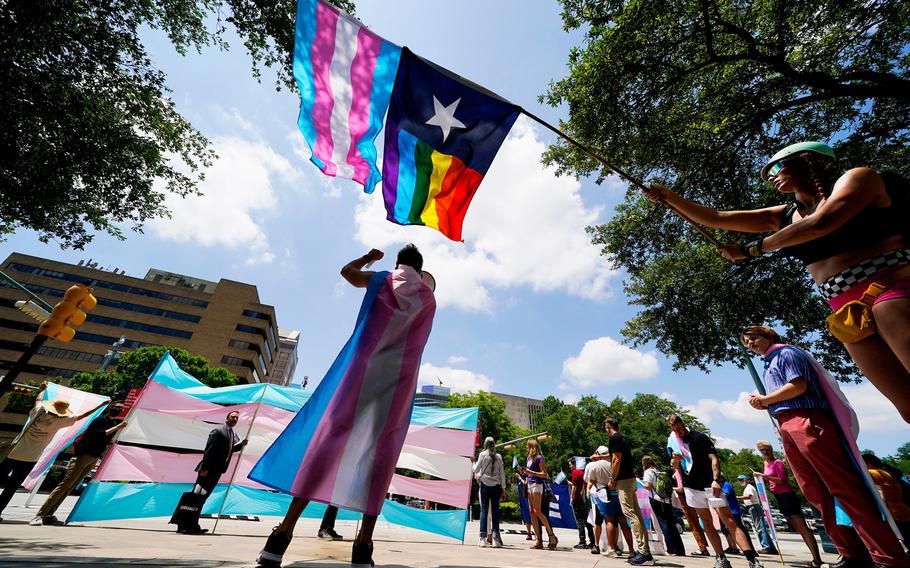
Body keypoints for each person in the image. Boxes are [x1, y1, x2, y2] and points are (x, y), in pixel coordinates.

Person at [644, 143, 910, 423]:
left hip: (889, 289)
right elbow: (716, 218)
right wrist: (670, 197)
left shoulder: (859, 178)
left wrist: (752, 249)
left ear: (807, 161)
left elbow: (821, 223)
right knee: (906, 407)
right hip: (844, 311)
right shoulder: (784, 215)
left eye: (775, 167)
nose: (770, 176)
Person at [251, 246, 436, 568]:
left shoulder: (382, 280)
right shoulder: (429, 299)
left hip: (361, 371)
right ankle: (363, 545)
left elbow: (347, 273)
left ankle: (281, 537)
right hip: (398, 381)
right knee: (382, 451)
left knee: (328, 441)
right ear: (420, 271)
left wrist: (368, 258)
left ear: (398, 264)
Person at [743, 325, 909, 568]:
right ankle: (851, 552)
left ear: (769, 335)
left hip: (806, 419)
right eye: (746, 341)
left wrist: (765, 400)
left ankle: (888, 556)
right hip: (786, 424)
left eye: (753, 337)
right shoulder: (768, 363)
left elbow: (798, 386)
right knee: (814, 492)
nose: (749, 343)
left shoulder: (786, 353)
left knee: (843, 487)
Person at [667, 413, 763, 568]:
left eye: (680, 428)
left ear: (683, 423)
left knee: (729, 520)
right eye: (675, 430)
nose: (679, 432)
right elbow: (675, 466)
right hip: (691, 486)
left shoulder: (699, 438)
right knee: (706, 522)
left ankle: (752, 559)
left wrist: (716, 480)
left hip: (709, 484)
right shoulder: (674, 443)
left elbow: (714, 459)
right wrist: (674, 461)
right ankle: (721, 557)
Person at [0, 387, 107, 520]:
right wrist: (100, 405)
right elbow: (81, 417)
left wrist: (44, 389)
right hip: (30, 458)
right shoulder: (59, 422)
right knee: (11, 487)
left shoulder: (37, 412)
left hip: (13, 453)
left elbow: (38, 399)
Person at [30, 402, 127, 526]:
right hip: (83, 455)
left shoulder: (113, 423)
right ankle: (40, 514)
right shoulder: (100, 420)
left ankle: (49, 514)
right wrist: (118, 427)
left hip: (94, 457)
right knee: (65, 484)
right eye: (116, 407)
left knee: (71, 486)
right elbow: (99, 434)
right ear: (110, 408)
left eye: (121, 408)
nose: (119, 410)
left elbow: (106, 439)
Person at [173, 410, 247, 534]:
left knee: (202, 498)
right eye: (232, 417)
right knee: (195, 498)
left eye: (236, 418)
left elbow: (227, 450)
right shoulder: (218, 431)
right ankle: (184, 525)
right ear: (227, 418)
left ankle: (193, 524)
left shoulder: (231, 434)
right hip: (207, 471)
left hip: (217, 471)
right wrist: (205, 469)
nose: (234, 420)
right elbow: (209, 450)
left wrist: (240, 446)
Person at [601, 417, 653, 565]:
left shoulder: (614, 439)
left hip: (622, 480)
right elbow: (614, 456)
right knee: (636, 514)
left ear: (607, 427)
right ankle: (645, 551)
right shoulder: (622, 439)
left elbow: (616, 460)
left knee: (630, 514)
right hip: (630, 479)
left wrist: (612, 478)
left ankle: (644, 553)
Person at [586, 445, 634, 557]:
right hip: (618, 493)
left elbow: (592, 481)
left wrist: (589, 490)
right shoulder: (614, 464)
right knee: (623, 523)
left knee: (610, 521)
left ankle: (611, 547)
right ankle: (631, 549)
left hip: (604, 495)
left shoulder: (594, 466)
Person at [517, 438, 557, 550]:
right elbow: (529, 472)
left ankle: (552, 536)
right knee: (532, 512)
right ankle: (538, 539)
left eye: (527, 446)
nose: (526, 447)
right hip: (529, 484)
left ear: (532, 447)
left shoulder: (539, 458)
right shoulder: (528, 458)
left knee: (538, 511)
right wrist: (523, 471)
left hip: (537, 485)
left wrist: (531, 472)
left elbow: (544, 474)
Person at [641, 455, 685, 556]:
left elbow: (648, 487)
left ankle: (671, 549)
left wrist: (640, 481)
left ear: (645, 463)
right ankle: (680, 550)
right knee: (671, 525)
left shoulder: (648, 472)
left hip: (656, 500)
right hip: (667, 501)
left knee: (664, 525)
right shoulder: (659, 471)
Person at [862, 453, 910, 540]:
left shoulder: (875, 472)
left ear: (868, 463)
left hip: (896, 515)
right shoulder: (885, 472)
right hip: (901, 513)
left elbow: (858, 475)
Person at [473, 437, 506, 548]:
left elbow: (476, 470)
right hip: (496, 486)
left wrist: (473, 463)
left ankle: (482, 538)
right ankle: (495, 539)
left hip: (485, 485)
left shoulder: (482, 455)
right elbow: (502, 473)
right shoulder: (499, 456)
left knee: (484, 511)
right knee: (495, 513)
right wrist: (504, 488)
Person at [737, 475, 776, 554]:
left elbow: (749, 496)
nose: (740, 481)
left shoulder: (749, 487)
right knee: (761, 528)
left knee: (760, 528)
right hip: (753, 508)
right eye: (739, 480)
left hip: (754, 507)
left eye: (741, 479)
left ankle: (766, 547)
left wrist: (737, 497)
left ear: (746, 480)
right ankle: (771, 548)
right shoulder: (747, 487)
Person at [718, 473, 755, 555]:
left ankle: (751, 549)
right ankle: (733, 547)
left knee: (740, 530)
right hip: (726, 510)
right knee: (727, 530)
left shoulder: (726, 484)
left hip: (733, 511)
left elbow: (725, 495)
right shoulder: (722, 485)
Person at [569, 457, 595, 549]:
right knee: (588, 521)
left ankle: (582, 541)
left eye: (571, 465)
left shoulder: (575, 472)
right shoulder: (584, 472)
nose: (570, 467)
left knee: (579, 521)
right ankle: (592, 541)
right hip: (585, 500)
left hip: (578, 499)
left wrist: (572, 497)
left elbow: (575, 486)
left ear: (575, 464)